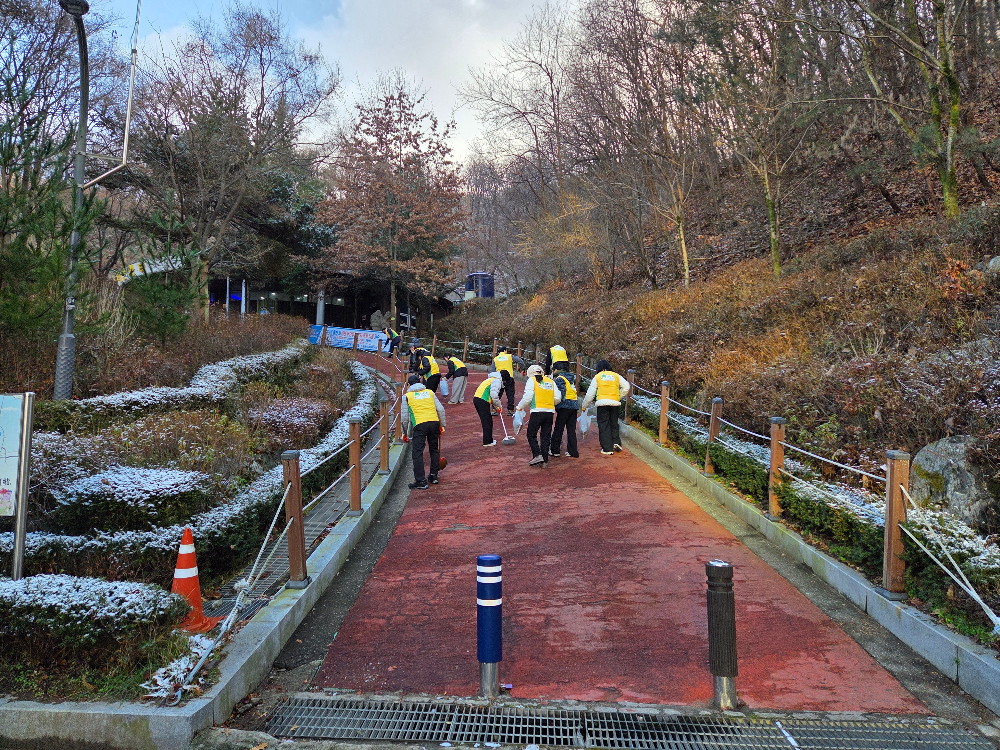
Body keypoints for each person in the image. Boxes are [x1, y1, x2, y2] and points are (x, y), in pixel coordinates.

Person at [580, 359, 630, 456]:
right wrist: (618, 396)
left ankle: (607, 448)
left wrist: (584, 405)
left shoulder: (597, 377)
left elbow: (590, 394)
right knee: (614, 423)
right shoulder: (616, 376)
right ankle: (616, 442)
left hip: (602, 403)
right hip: (615, 403)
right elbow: (626, 387)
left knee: (604, 424)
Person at [404, 374, 446, 489]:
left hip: (419, 424)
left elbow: (405, 418)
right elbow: (441, 409)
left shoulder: (407, 396)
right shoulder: (430, 392)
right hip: (434, 422)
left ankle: (421, 481)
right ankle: (434, 475)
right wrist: (442, 425)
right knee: (434, 448)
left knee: (417, 452)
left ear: (409, 384)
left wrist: (405, 433)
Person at [516, 364, 561, 467]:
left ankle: (537, 454)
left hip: (537, 411)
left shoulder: (532, 380)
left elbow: (527, 397)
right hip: (549, 412)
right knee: (546, 436)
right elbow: (558, 398)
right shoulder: (551, 381)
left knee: (531, 434)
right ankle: (545, 460)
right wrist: (548, 402)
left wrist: (519, 407)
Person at [550, 361, 579, 458]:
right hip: (574, 405)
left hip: (564, 405)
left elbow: (560, 394)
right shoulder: (571, 378)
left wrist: (553, 404)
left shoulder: (560, 378)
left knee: (559, 428)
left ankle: (555, 450)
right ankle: (573, 451)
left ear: (557, 369)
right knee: (571, 429)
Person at [473, 371, 504, 446]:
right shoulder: (497, 381)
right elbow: (494, 395)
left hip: (478, 399)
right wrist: (499, 406)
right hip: (482, 400)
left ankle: (489, 439)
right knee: (487, 421)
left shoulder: (490, 379)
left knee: (487, 420)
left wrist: (497, 407)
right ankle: (487, 441)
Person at [492, 346, 524, 416]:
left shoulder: (495, 359)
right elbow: (520, 361)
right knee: (510, 394)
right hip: (509, 377)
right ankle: (510, 410)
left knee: (498, 394)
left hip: (499, 377)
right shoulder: (510, 356)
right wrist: (523, 368)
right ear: (505, 351)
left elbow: (492, 370)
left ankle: (494, 409)